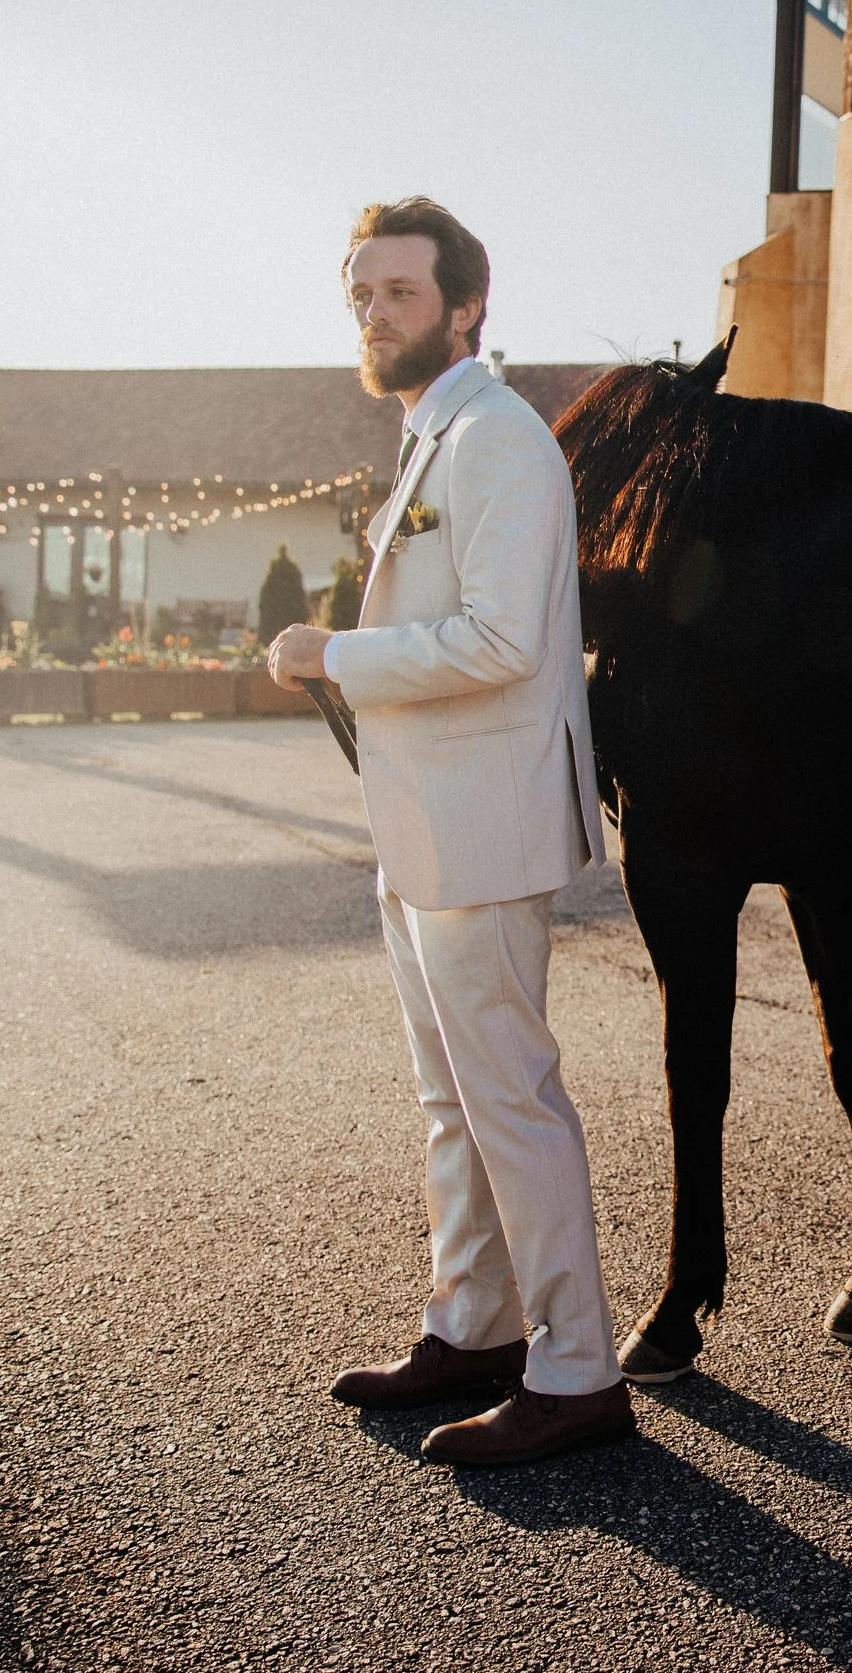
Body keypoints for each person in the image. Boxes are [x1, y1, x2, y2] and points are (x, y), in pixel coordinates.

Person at [268, 196, 632, 1466]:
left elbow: (502, 640)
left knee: (509, 1098)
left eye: (400, 293)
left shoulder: (496, 439)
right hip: (421, 820)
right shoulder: (439, 434)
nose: (374, 315)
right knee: (451, 1099)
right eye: (359, 295)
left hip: (480, 825)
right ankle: (474, 1325)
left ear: (466, 305)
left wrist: (333, 651)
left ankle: (577, 1368)